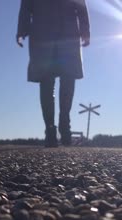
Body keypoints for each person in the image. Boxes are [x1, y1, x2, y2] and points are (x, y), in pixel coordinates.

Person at [17, 0, 90, 147]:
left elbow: (81, 6)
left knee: (67, 77)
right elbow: (26, 6)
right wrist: (21, 30)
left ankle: (64, 124)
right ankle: (50, 129)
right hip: (43, 34)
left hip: (65, 33)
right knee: (47, 79)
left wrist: (85, 30)